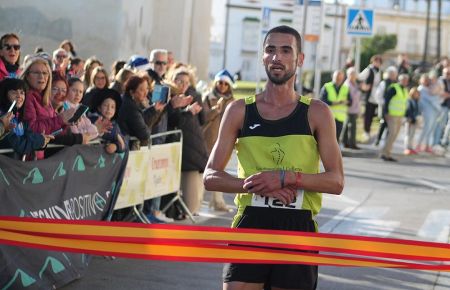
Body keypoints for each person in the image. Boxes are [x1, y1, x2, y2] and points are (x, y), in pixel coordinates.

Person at [203, 25, 344, 290]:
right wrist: (258, 185)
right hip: (251, 220)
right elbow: (210, 177)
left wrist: (285, 178)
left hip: (297, 225)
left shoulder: (316, 113)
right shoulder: (238, 111)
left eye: (285, 50)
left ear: (300, 59)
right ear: (263, 57)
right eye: (270, 50)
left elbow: (336, 181)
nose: (277, 57)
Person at [171, 69, 208, 216]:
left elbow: (202, 120)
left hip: (192, 151)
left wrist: (194, 107)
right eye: (179, 81)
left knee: (192, 205)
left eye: (186, 82)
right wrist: (187, 111)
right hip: (179, 152)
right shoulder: (170, 98)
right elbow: (174, 122)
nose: (183, 85)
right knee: (188, 206)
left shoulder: (193, 96)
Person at [21, 56, 75, 159]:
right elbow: (32, 129)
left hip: (40, 155)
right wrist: (60, 119)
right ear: (27, 76)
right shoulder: (26, 97)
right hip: (27, 157)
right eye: (36, 73)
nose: (41, 76)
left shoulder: (45, 98)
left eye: (45, 73)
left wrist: (65, 122)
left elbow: (51, 131)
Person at [202, 69, 235, 211]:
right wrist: (216, 109)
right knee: (206, 171)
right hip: (209, 138)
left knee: (220, 171)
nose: (222, 86)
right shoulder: (208, 97)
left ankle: (217, 202)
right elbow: (203, 118)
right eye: (220, 82)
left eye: (225, 83)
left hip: (225, 140)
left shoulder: (233, 101)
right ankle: (205, 201)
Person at [0, 78, 52, 159]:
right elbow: (17, 145)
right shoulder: (2, 118)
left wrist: (43, 141)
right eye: (14, 92)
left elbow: (30, 136)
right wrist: (39, 141)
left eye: (22, 92)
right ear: (4, 95)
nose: (19, 96)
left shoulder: (20, 117)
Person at [380, 74, 409, 162]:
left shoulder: (405, 90)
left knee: (395, 135)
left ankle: (388, 153)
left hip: (400, 115)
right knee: (392, 134)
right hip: (392, 115)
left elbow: (404, 103)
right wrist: (385, 113)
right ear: (399, 80)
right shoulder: (393, 88)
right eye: (403, 80)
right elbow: (386, 100)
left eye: (406, 80)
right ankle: (384, 153)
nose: (405, 82)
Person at [319, 70, 352, 143]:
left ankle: (333, 153)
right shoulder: (327, 86)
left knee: (336, 139)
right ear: (333, 77)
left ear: (343, 78)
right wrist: (334, 103)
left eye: (340, 78)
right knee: (326, 138)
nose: (338, 80)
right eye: (337, 77)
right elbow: (322, 101)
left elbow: (350, 102)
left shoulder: (346, 88)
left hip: (340, 118)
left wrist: (347, 102)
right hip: (328, 117)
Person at [359, 55, 382, 142]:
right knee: (367, 114)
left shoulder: (379, 71)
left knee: (372, 115)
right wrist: (363, 86)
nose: (378, 63)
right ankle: (366, 131)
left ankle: (368, 131)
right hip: (369, 96)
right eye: (376, 61)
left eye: (379, 62)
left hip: (376, 96)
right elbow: (359, 78)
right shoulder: (369, 70)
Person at [373, 66, 398, 146]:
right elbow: (378, 95)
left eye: (394, 74)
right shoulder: (384, 83)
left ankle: (386, 142)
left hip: (393, 109)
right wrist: (383, 103)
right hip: (384, 107)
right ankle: (378, 139)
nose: (393, 76)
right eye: (392, 74)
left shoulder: (396, 84)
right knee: (383, 124)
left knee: (390, 127)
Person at [341, 67, 361, 149]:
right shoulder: (346, 85)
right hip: (348, 108)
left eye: (354, 74)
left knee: (349, 126)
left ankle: (346, 142)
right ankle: (351, 143)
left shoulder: (356, 84)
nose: (353, 76)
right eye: (351, 74)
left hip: (355, 108)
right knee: (351, 126)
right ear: (348, 75)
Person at [404, 87, 420, 155]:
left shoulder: (417, 101)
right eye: (415, 93)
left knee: (412, 135)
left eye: (417, 93)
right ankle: (407, 148)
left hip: (415, 120)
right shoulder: (409, 101)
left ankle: (410, 148)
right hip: (409, 120)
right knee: (408, 134)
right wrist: (410, 118)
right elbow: (408, 111)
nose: (416, 95)